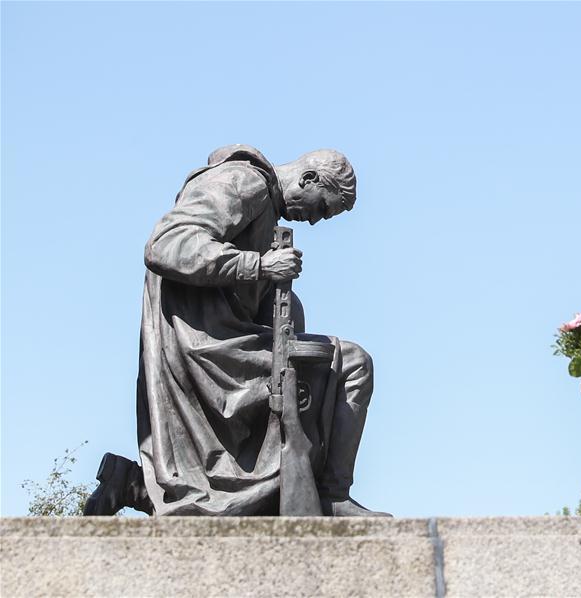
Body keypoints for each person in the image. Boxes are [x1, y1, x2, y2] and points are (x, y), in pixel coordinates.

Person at [84, 144, 388, 517]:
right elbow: (166, 245)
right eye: (322, 208)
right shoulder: (244, 181)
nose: (313, 220)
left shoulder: (264, 206)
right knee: (352, 364)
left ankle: (131, 482)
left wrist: (277, 299)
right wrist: (258, 266)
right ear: (309, 179)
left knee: (304, 378)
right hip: (207, 348)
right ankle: (332, 495)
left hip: (218, 342)